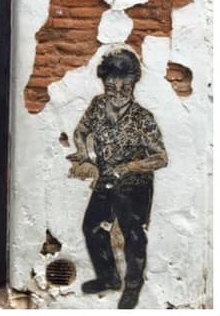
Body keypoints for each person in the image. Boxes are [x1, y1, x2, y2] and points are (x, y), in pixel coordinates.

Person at [67, 48, 168, 309]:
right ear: (104, 81)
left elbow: (161, 158)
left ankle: (133, 288)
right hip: (106, 179)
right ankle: (109, 278)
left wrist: (129, 167)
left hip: (135, 184)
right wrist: (84, 153)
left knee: (132, 235)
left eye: (125, 81)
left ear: (134, 81)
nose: (118, 87)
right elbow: (80, 131)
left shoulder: (143, 118)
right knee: (91, 227)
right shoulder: (97, 105)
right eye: (112, 81)